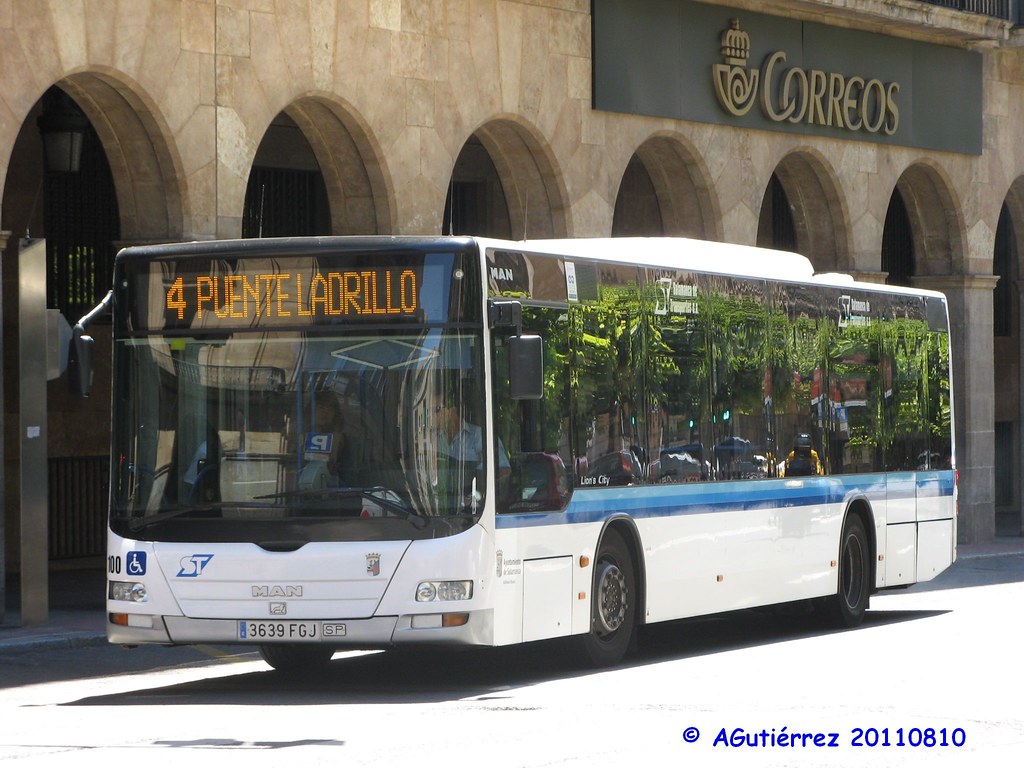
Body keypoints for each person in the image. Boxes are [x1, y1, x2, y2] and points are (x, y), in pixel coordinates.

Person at [299, 395, 348, 489]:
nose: (325, 412)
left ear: (335, 414)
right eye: (321, 407)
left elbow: (332, 462)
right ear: (312, 411)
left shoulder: (337, 437)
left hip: (330, 485)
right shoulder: (299, 433)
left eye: (330, 409)